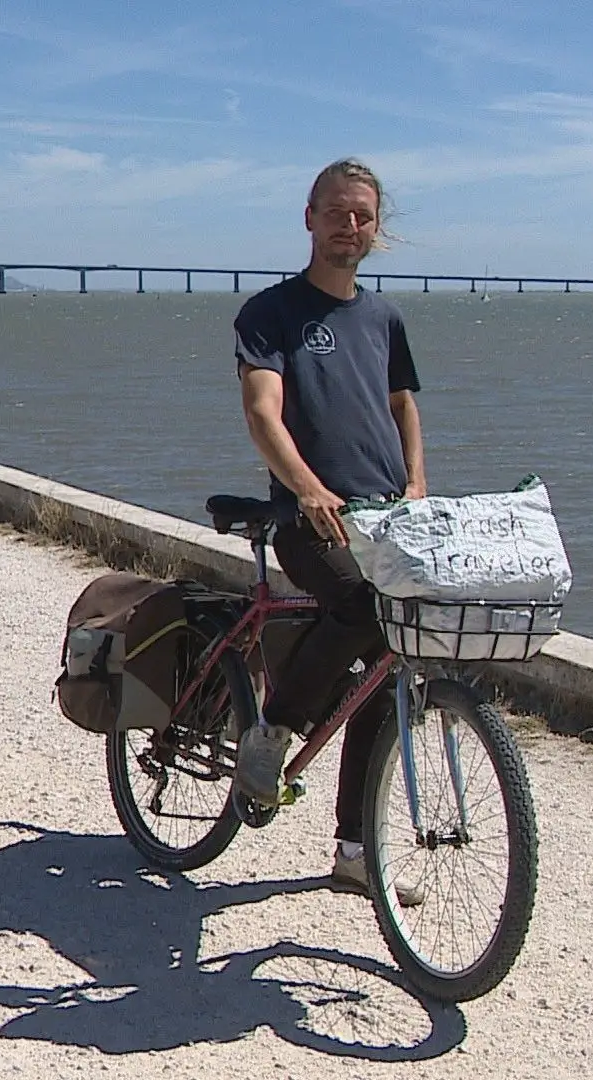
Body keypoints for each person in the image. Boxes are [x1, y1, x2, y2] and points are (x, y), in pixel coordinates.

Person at [232, 158, 428, 897]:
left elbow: (403, 406)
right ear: (309, 218)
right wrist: (308, 490)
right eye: (338, 213)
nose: (351, 227)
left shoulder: (384, 317)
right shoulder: (270, 313)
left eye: (363, 217)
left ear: (376, 229)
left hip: (385, 516)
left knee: (384, 668)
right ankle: (271, 734)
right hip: (307, 515)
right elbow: (262, 413)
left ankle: (354, 851)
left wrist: (415, 485)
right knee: (358, 608)